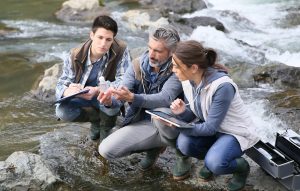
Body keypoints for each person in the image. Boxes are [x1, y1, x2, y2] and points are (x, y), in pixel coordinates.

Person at [156, 40, 259, 190]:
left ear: (193, 68)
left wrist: (180, 126)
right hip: (214, 129)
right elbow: (197, 112)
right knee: (184, 144)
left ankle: (241, 168)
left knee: (217, 163)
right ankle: (211, 160)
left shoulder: (222, 87)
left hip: (235, 133)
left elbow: (210, 128)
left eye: (176, 66)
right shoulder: (188, 79)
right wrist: (182, 112)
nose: (173, 70)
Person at [97, 26, 192, 180]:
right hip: (145, 123)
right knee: (106, 150)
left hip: (173, 123)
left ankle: (183, 155)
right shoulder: (137, 65)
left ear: (172, 52)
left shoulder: (179, 69)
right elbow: (122, 94)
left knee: (160, 116)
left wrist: (133, 98)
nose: (151, 55)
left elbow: (165, 98)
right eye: (150, 48)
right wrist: (110, 101)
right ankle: (154, 147)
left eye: (158, 51)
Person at [55, 15, 131, 141]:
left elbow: (124, 81)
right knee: (62, 112)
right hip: (83, 97)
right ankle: (96, 120)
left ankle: (106, 128)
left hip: (105, 96)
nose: (103, 43)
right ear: (91, 35)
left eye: (108, 39)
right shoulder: (75, 54)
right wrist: (68, 90)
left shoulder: (121, 50)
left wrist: (97, 90)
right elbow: (61, 84)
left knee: (113, 96)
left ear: (113, 39)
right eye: (100, 37)